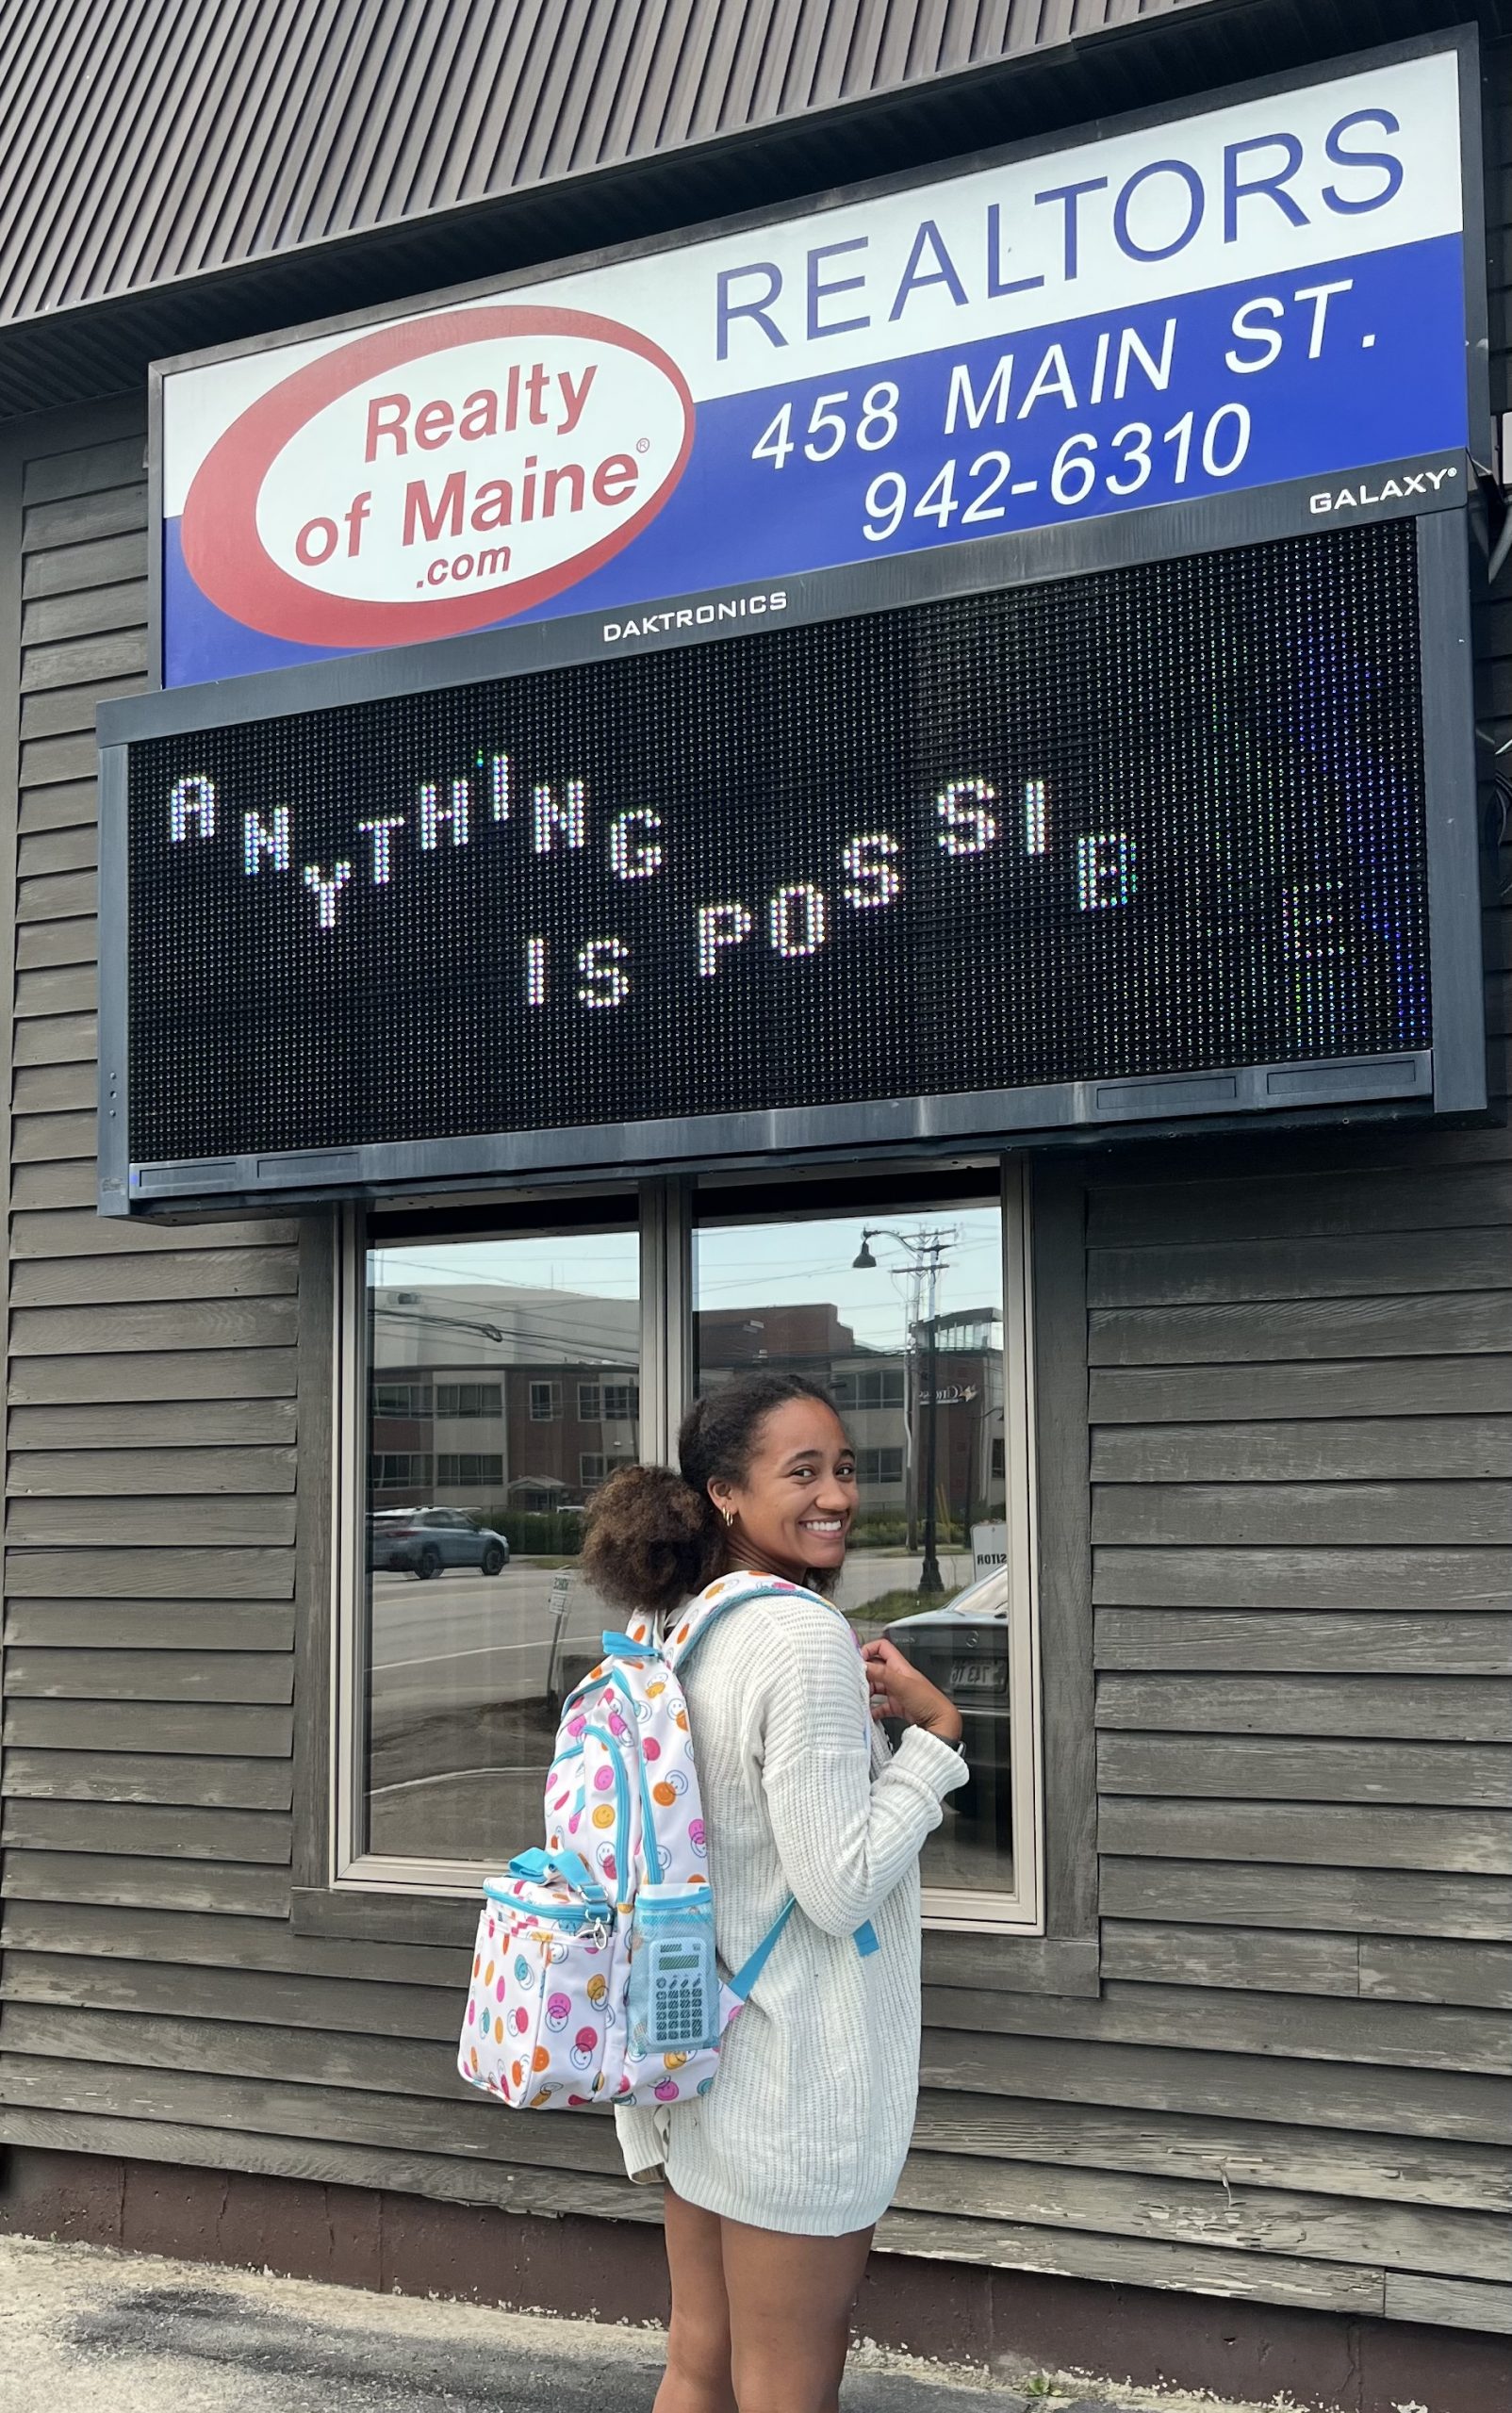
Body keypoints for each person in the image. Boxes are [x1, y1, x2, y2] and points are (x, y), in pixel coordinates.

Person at [581, 1371, 968, 2413]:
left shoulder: (690, 1625)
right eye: (800, 1470)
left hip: (700, 2055)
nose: (834, 1493)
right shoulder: (797, 1637)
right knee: (787, 2387)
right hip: (794, 2078)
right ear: (724, 1494)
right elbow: (838, 1886)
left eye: (842, 1467)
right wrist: (933, 1747)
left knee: (700, 2359)